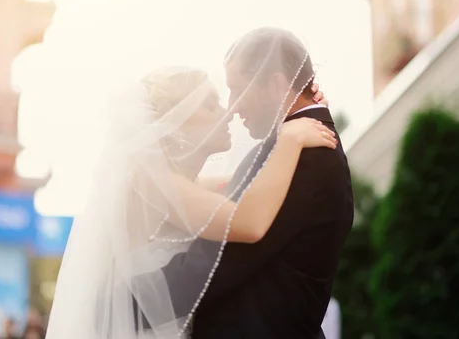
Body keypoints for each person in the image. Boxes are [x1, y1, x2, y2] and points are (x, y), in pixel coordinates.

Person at [44, 56, 336, 338]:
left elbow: (248, 185)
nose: (229, 110)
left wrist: (301, 106)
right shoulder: (153, 185)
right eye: (210, 104)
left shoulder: (183, 185)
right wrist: (290, 138)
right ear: (175, 124)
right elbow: (248, 222)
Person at [134, 27, 354, 338]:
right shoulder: (289, 147)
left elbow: (213, 262)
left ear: (277, 84)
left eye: (237, 89)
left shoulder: (305, 154)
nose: (232, 107)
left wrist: (114, 302)